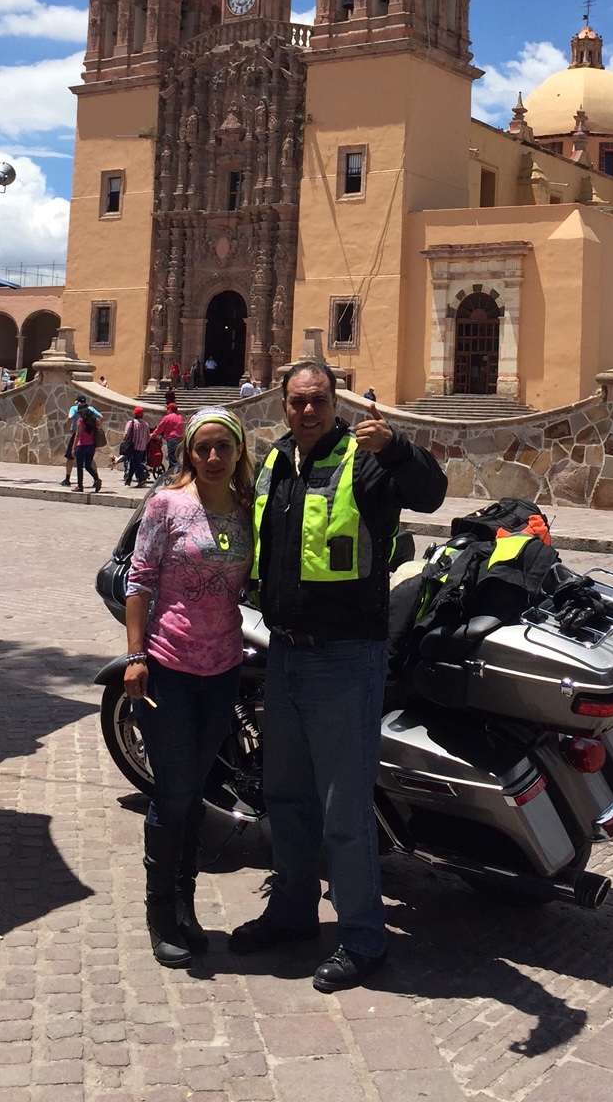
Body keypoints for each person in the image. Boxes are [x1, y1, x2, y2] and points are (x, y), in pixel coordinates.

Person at [230, 359, 447, 991]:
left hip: (346, 658)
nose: (307, 411)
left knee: (344, 808)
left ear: (335, 401)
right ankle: (293, 913)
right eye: (296, 402)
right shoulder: (276, 463)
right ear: (282, 404)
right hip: (285, 653)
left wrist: (401, 446)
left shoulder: (366, 456)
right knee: (287, 798)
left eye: (317, 400)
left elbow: (430, 492)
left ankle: (363, 938)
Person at [123, 406, 254, 967]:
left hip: (222, 669)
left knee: (197, 790)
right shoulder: (167, 504)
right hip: (169, 665)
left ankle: (186, 907)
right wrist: (134, 655)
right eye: (204, 448)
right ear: (188, 452)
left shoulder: (251, 511)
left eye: (224, 447)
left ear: (239, 451)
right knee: (174, 790)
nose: (214, 457)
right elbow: (141, 577)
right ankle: (160, 915)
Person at [73, 401, 103, 492]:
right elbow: (99, 423)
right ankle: (96, 478)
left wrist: (73, 447)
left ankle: (80, 486)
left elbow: (78, 435)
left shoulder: (80, 421)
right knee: (88, 465)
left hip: (81, 446)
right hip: (91, 446)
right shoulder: (93, 420)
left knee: (79, 466)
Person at [151, 403, 187, 472]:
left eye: (167, 409)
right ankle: (169, 474)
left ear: (170, 409)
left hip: (172, 439)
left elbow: (160, 428)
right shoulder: (180, 417)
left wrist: (153, 435)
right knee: (176, 458)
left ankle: (178, 475)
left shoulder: (167, 418)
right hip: (180, 439)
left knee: (173, 460)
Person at [122, 406, 151, 487]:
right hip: (142, 447)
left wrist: (124, 441)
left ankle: (141, 478)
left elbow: (126, 434)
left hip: (133, 446)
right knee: (133, 462)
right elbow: (148, 437)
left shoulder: (131, 423)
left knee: (136, 463)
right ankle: (128, 480)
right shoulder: (146, 424)